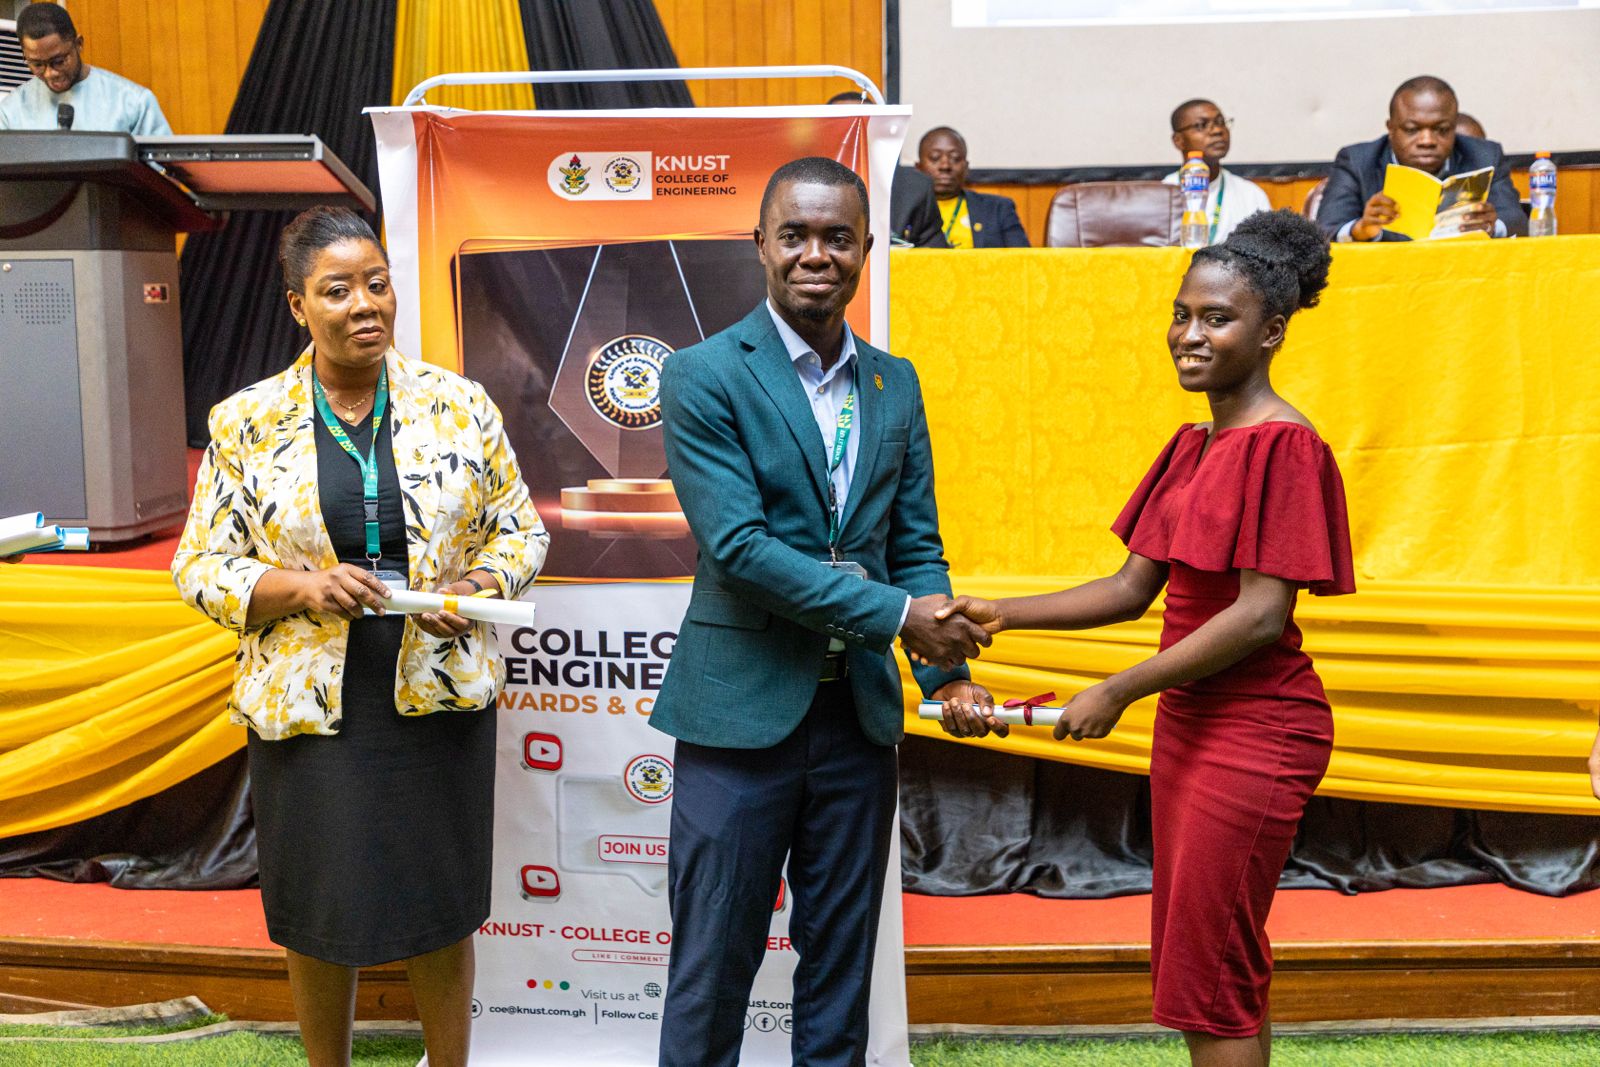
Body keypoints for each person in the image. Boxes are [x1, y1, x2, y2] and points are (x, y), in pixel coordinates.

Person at [936, 210, 1354, 1067]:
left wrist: (1121, 688)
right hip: (1193, 727)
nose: (1188, 335)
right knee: (1212, 961)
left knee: (1212, 969)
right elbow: (1131, 588)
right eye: (1181, 314)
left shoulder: (1286, 445)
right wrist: (1001, 612)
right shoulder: (1192, 444)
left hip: (1258, 728)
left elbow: (1259, 614)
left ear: (1272, 331)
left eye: (1216, 318)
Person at [172, 207, 547, 1067]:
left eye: (377, 283)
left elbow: (520, 532)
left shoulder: (459, 404)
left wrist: (479, 587)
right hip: (308, 703)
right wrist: (302, 586)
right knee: (317, 910)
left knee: (441, 907)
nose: (364, 303)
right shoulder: (246, 420)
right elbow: (201, 565)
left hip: (435, 692)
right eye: (337, 290)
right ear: (298, 306)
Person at [652, 156, 991, 1066]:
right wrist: (894, 615)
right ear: (758, 244)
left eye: (837, 237)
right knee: (713, 965)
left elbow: (912, 545)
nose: (816, 254)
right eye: (795, 235)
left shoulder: (895, 382)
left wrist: (946, 672)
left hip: (856, 724)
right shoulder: (702, 374)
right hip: (739, 719)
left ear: (866, 249)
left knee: (840, 969)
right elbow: (741, 551)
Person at [1315, 76, 1526, 242]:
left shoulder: (1485, 156)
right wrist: (1361, 229)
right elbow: (1325, 230)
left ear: (1454, 127)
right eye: (1412, 129)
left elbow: (1518, 222)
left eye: (1441, 129)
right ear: (1391, 129)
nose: (1427, 140)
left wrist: (1492, 225)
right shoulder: (1357, 161)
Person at [0, 2, 171, 134]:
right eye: (37, 65)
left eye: (59, 61)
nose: (50, 73)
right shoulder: (10, 112)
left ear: (79, 45)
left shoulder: (133, 103)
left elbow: (161, 174)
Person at [1161, 99, 1272, 245]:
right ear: (1178, 140)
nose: (1217, 130)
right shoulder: (1163, 194)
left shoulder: (1251, 194)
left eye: (1221, 122)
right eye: (1201, 125)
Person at [915, 126, 1030, 248]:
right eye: (935, 158)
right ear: (918, 168)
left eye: (955, 158)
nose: (945, 166)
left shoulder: (998, 209)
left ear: (966, 167)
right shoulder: (901, 212)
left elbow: (1023, 261)